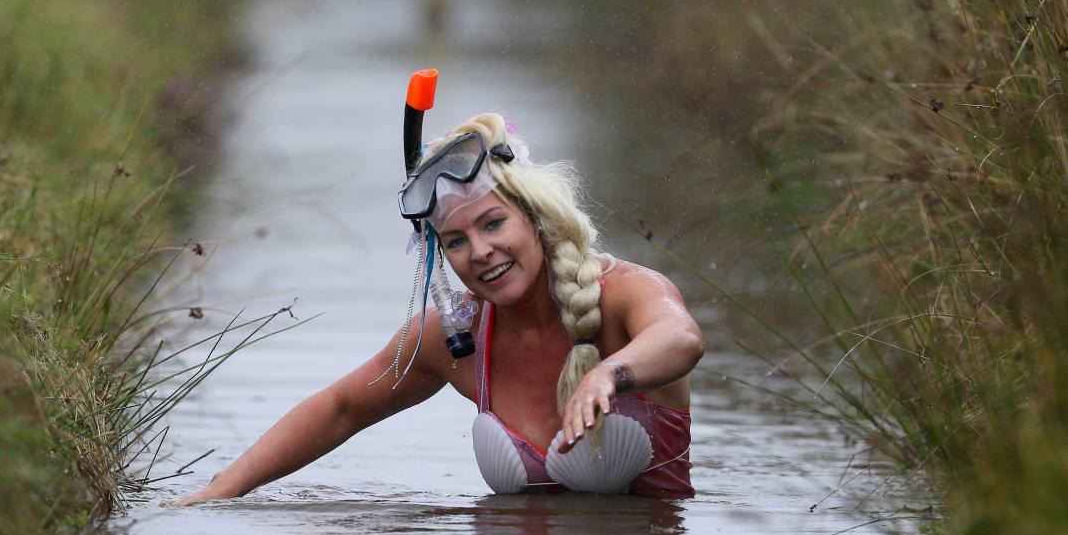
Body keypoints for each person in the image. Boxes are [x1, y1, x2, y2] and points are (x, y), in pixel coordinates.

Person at [172, 112, 703, 505]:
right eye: (455, 241)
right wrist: (224, 489)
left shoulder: (625, 294)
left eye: (494, 224)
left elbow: (682, 340)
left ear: (535, 218)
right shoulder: (456, 338)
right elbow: (341, 408)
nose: (480, 252)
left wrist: (611, 373)